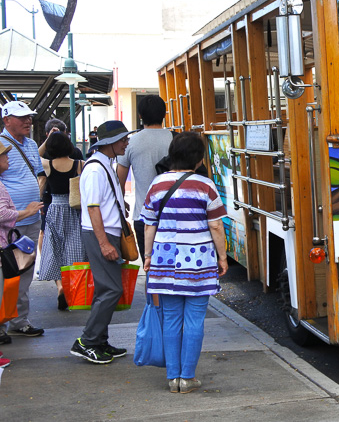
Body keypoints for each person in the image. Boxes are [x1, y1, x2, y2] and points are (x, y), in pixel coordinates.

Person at [140, 132, 227, 393]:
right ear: (199, 159)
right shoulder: (205, 186)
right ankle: (187, 377)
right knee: (194, 320)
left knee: (171, 320)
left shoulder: (157, 184)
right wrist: (222, 257)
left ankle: (173, 378)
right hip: (198, 261)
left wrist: (147, 256)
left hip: (164, 260)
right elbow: (215, 226)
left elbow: (148, 226)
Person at [70, 120, 137, 364]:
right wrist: (104, 243)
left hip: (105, 231)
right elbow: (93, 208)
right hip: (101, 233)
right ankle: (88, 341)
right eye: (123, 139)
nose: (126, 143)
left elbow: (99, 203)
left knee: (105, 289)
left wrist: (119, 204)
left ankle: (98, 340)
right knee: (111, 289)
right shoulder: (97, 168)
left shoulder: (103, 164)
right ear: (109, 142)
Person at [0, 101, 46, 342]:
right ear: (7, 120)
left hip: (31, 217)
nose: (28, 121)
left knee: (26, 270)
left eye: (29, 117)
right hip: (9, 223)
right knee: (6, 273)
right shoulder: (1, 146)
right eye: (21, 117)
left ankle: (19, 320)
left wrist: (35, 201)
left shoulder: (30, 145)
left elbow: (39, 174)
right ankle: (2, 325)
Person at [116, 95, 173, 259]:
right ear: (164, 114)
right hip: (175, 214)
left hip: (143, 215)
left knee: (150, 267)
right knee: (174, 268)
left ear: (140, 115)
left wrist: (122, 204)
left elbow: (119, 182)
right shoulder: (176, 140)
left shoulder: (130, 143)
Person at [38, 132, 86, 311]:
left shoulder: (48, 165)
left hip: (55, 209)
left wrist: (47, 140)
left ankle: (60, 287)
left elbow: (35, 155)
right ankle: (73, 290)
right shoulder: (80, 164)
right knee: (74, 250)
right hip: (74, 209)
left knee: (55, 250)